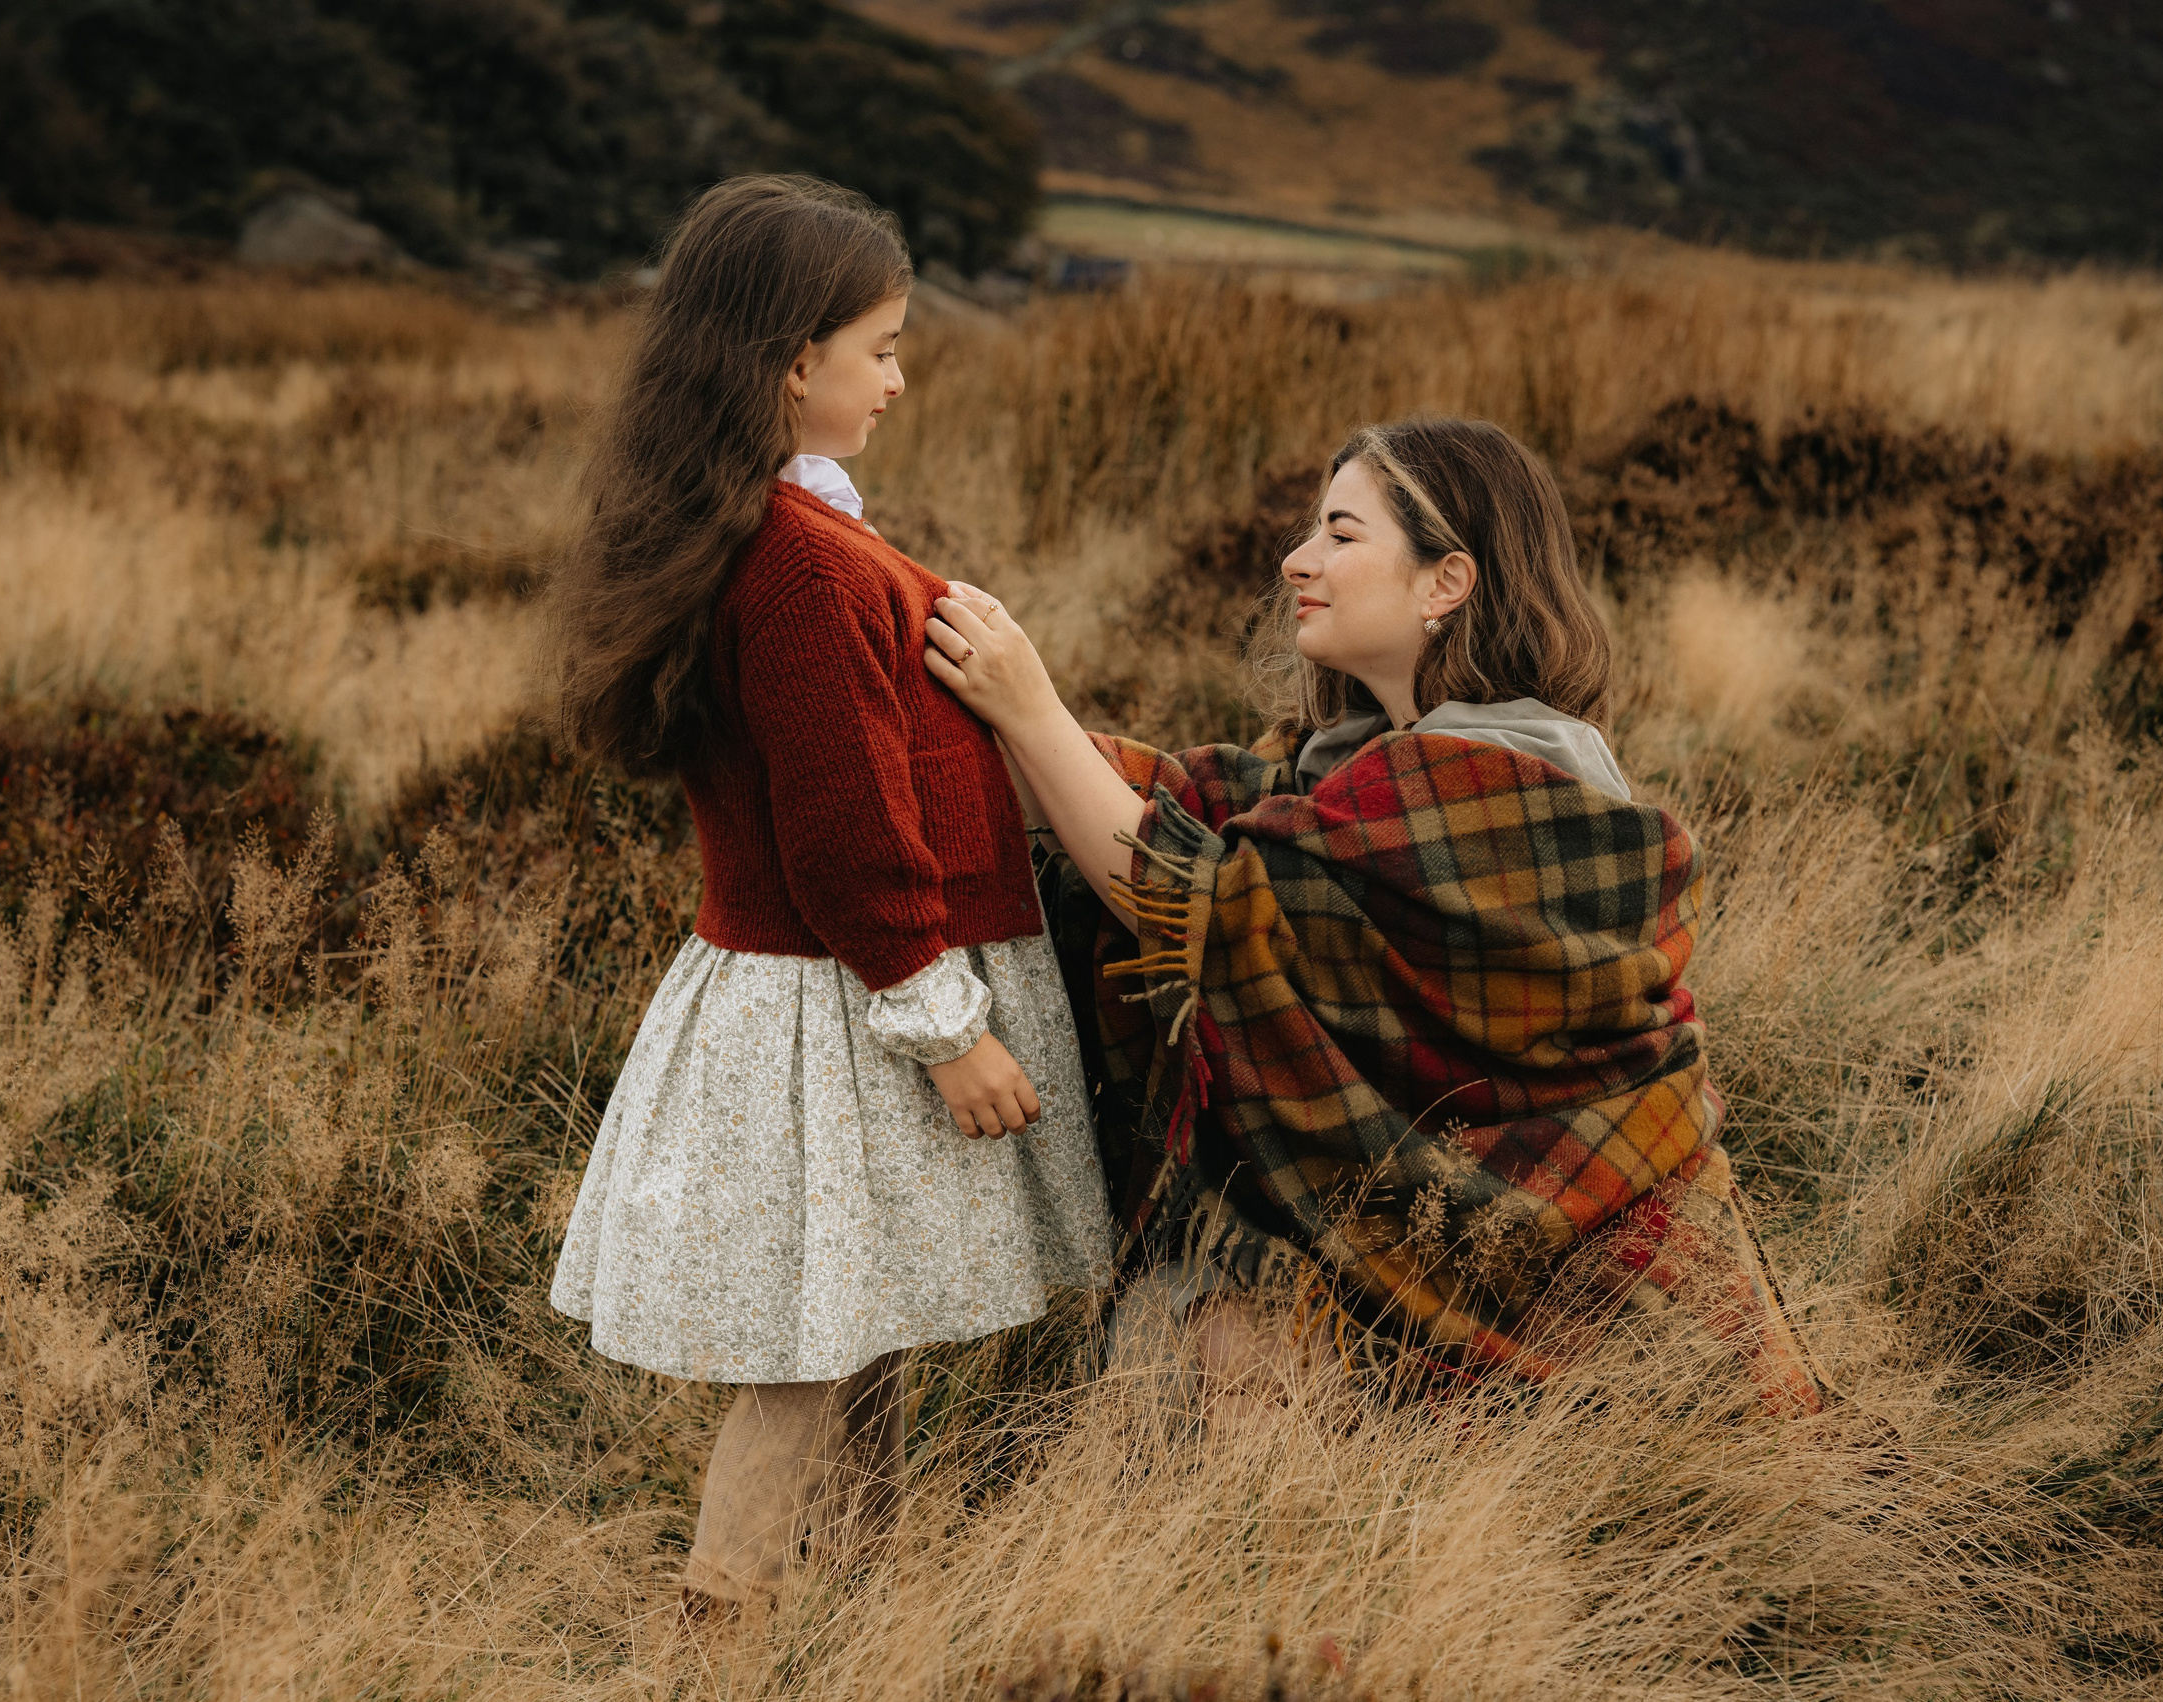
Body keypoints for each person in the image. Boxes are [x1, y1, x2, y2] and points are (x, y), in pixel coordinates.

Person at [924, 416, 1829, 1420]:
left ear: (1446, 581)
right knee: (1204, 1325)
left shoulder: (1503, 779)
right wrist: (944, 690)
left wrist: (1031, 709)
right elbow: (1186, 807)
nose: (1295, 559)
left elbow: (1204, 905)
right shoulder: (1345, 764)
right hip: (1455, 1256)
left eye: (1341, 536)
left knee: (1209, 1340)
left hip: (1582, 1299)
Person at [544, 176, 1115, 1615]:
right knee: (808, 1346)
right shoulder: (798, 570)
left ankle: (863, 1595)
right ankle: (721, 1610)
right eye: (882, 345)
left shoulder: (789, 531)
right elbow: (845, 834)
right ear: (794, 364)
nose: (899, 375)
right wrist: (948, 1024)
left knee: (870, 1315)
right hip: (845, 1001)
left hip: (832, 988)